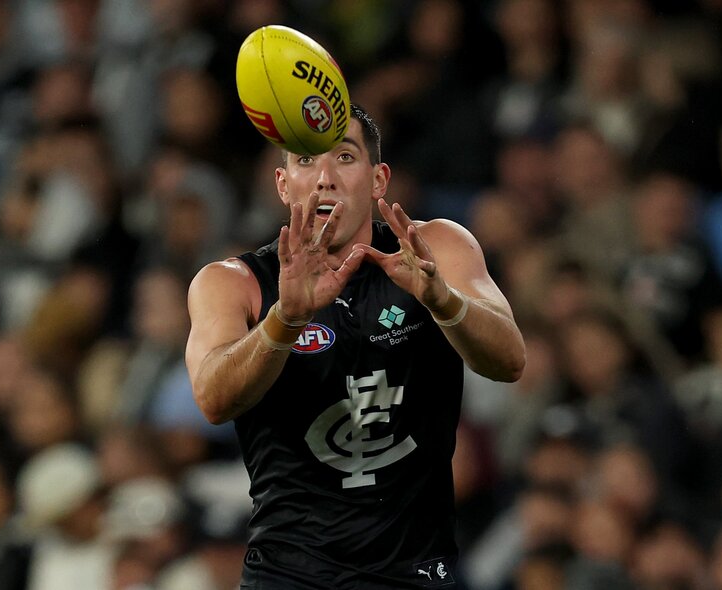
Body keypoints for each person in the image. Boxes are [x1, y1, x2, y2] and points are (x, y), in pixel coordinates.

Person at [185, 103, 526, 589]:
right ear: (283, 184)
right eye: (305, 161)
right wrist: (286, 319)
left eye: (344, 157)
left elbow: (511, 361)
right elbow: (213, 399)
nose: (323, 178)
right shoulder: (233, 283)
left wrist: (442, 300)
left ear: (378, 179)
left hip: (416, 573)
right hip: (289, 574)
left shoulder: (435, 248)